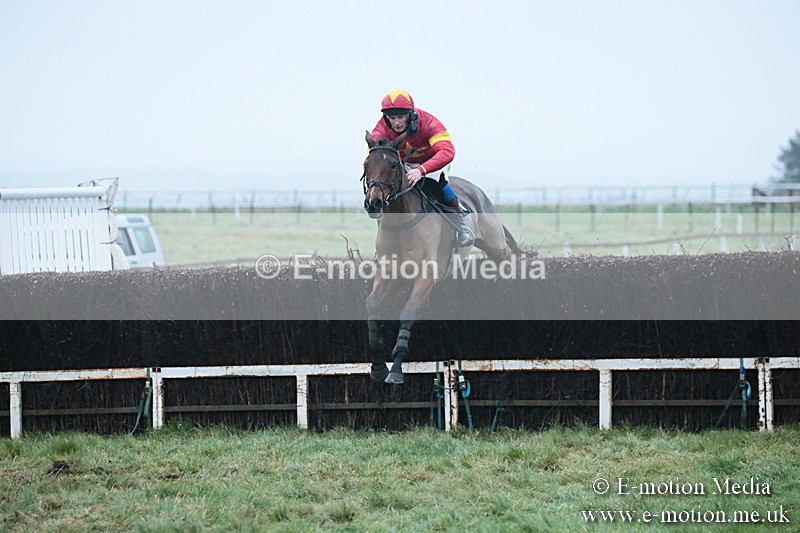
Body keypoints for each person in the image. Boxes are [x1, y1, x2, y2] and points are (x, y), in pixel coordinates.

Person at [370, 89, 475, 247]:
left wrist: (421, 170)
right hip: (402, 163)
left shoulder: (429, 123)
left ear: (410, 114)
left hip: (432, 162)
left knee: (439, 185)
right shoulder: (381, 129)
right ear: (386, 117)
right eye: (392, 118)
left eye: (401, 117)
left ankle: (461, 229)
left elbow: (447, 151)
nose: (397, 123)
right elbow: (375, 158)